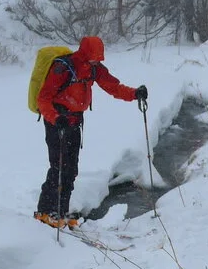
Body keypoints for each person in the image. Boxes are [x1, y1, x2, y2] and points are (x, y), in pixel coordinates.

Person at [34, 36, 147, 228]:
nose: (96, 61)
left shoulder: (94, 69)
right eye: (93, 57)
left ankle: (61, 212)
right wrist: (55, 118)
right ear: (85, 53)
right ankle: (45, 211)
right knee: (58, 167)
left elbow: (113, 87)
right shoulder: (63, 68)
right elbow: (43, 99)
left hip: (75, 122)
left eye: (98, 58)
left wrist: (135, 93)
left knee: (71, 169)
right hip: (57, 123)